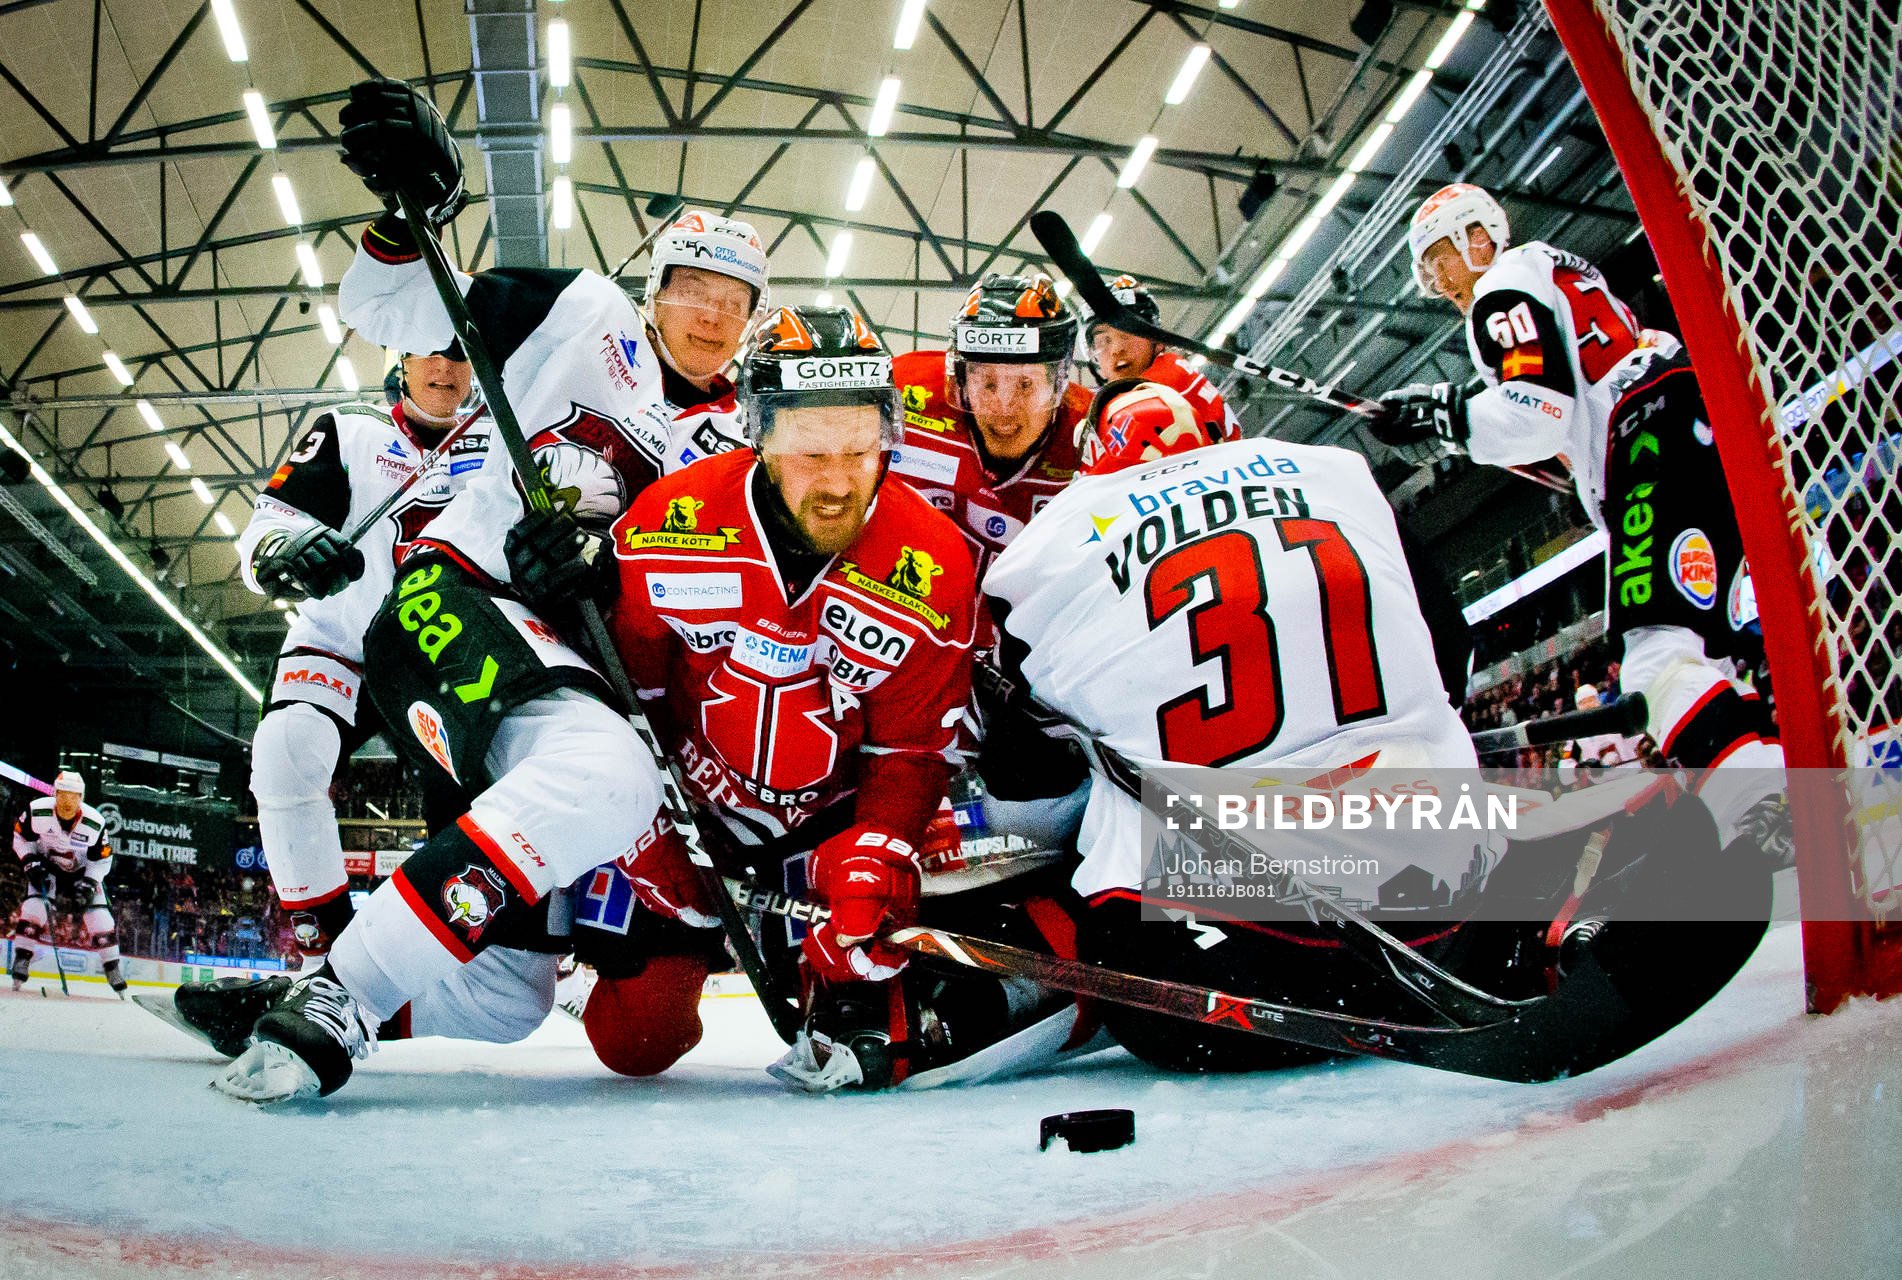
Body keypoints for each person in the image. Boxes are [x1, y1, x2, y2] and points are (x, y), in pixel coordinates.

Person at [201, 77, 767, 1103]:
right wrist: (415, 206)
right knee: (606, 775)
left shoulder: (742, 453)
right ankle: (340, 991)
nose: (712, 317)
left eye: (734, 304)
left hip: (568, 680)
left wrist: (611, 576)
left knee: (510, 990)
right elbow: (389, 307)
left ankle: (330, 976)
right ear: (655, 286)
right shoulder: (585, 314)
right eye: (694, 289)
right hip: (451, 603)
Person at [594, 304, 979, 1086]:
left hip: (828, 825)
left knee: (868, 1010)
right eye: (809, 452)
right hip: (694, 812)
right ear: (760, 435)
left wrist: (876, 853)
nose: (838, 481)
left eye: (861, 450)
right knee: (634, 1041)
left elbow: (908, 749)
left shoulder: (934, 564)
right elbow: (623, 699)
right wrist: (643, 823)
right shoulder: (674, 520)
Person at [1371, 184, 1784, 849]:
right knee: (1717, 656)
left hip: (1648, 439)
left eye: (1443, 254)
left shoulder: (1502, 289)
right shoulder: (1556, 268)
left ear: (1479, 236)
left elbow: (1537, 412)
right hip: (1693, 428)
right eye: (1429, 269)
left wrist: (1442, 412)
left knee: (1657, 660)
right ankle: (1775, 785)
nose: (1442, 279)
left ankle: (1766, 806)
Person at [235, 345, 486, 964]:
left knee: (484, 823)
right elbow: (267, 523)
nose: (445, 369)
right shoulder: (349, 429)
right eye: (430, 352)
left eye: (459, 354)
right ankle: (323, 963)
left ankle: (485, 965)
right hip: (343, 638)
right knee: (286, 752)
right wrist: (287, 550)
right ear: (400, 357)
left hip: (450, 663)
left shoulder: (509, 439)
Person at [888, 273, 1093, 574]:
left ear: (1057, 384)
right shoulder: (907, 395)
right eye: (986, 383)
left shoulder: (1095, 430)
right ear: (961, 381)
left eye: (1025, 385)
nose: (1004, 407)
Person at [1083, 274, 1241, 440]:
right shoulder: (1171, 370)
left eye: (1127, 333)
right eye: (1102, 341)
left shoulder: (1168, 375)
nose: (1116, 349)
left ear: (1155, 337)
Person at [10, 771, 122, 994]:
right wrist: (30, 861)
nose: (67, 801)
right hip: (46, 867)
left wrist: (90, 883)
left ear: (81, 797)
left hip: (83, 872)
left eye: (73, 796)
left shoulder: (96, 822)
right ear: (55, 793)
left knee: (99, 918)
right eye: (63, 795)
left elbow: (102, 858)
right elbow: (21, 838)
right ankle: (22, 959)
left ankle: (112, 967)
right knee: (35, 907)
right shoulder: (37, 810)